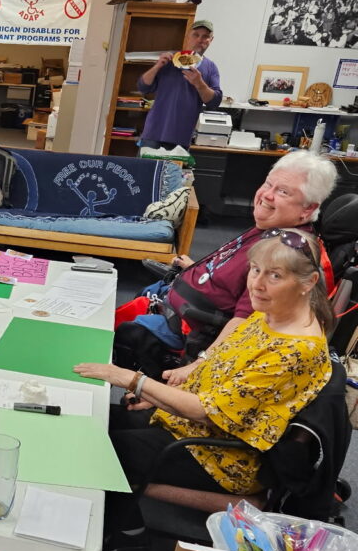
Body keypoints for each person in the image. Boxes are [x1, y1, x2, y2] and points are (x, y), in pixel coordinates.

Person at [77, 230, 333, 551]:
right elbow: (220, 376)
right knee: (92, 421)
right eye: (255, 270)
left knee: (102, 447)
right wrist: (161, 396)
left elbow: (205, 410)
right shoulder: (269, 315)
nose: (257, 283)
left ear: (308, 282)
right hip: (193, 426)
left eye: (275, 275)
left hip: (219, 456)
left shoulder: (297, 349)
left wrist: (130, 379)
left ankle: (127, 535)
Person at [114, 149, 337, 382]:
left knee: (125, 334)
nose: (266, 196)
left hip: (189, 329)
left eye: (282, 192)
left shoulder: (282, 252)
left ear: (308, 209)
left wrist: (200, 365)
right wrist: (195, 268)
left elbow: (246, 323)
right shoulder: (268, 226)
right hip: (173, 301)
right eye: (268, 184)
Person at [137, 19, 222, 151]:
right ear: (188, 36)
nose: (200, 39)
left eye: (205, 36)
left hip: (180, 138)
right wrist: (157, 66)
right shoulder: (169, 59)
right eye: (196, 35)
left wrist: (200, 84)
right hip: (153, 133)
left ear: (211, 40)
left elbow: (214, 102)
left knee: (173, 172)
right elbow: (143, 87)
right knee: (145, 171)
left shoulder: (211, 68)